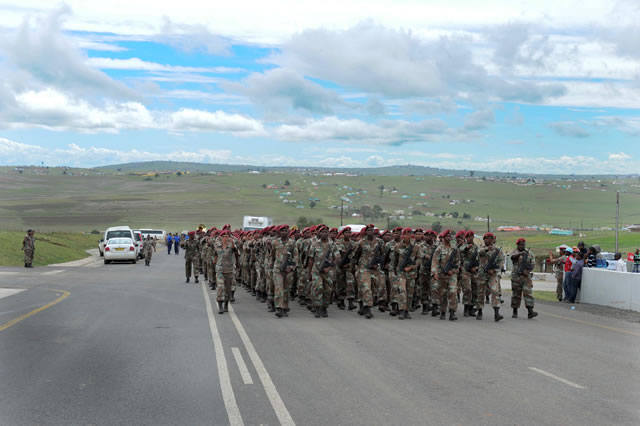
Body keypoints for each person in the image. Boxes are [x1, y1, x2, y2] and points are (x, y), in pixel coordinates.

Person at [431, 229, 460, 321]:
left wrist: (454, 270)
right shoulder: (439, 249)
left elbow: (458, 261)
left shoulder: (454, 248)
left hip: (452, 275)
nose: (448, 238)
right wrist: (434, 273)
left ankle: (452, 312)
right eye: (447, 236)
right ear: (443, 238)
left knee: (452, 292)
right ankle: (443, 311)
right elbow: (435, 261)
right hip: (442, 275)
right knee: (442, 294)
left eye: (450, 236)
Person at [510, 238, 538, 319]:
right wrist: (520, 254)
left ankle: (530, 311)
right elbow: (512, 257)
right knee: (516, 295)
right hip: (516, 276)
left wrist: (528, 270)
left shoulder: (530, 253)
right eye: (520, 245)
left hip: (526, 277)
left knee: (528, 294)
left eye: (523, 244)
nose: (521, 246)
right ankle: (515, 311)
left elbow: (533, 264)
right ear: (517, 245)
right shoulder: (515, 252)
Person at [214, 230, 237, 314]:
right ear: (221, 237)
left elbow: (235, 251)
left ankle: (226, 304)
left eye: (226, 236)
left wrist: (232, 243)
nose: (225, 238)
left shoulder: (231, 246)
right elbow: (215, 255)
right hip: (220, 270)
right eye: (223, 236)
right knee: (220, 287)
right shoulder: (217, 246)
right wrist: (215, 262)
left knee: (227, 289)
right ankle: (220, 305)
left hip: (229, 270)